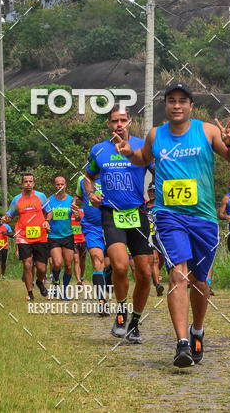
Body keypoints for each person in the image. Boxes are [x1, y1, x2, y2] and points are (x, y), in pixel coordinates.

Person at [114, 82, 230, 368]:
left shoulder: (207, 131)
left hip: (204, 218)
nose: (176, 105)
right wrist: (127, 152)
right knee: (178, 275)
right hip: (168, 216)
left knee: (200, 282)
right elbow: (142, 158)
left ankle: (197, 330)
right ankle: (182, 343)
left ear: (190, 106)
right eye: (171, 100)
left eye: (182, 101)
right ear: (166, 105)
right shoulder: (155, 135)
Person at [81, 104, 154, 343]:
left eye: (123, 120)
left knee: (144, 272)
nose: (119, 125)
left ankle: (134, 323)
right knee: (121, 267)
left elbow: (160, 171)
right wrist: (90, 193)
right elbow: (88, 176)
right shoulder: (99, 150)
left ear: (130, 122)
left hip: (138, 213)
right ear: (109, 124)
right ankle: (121, 312)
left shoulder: (143, 147)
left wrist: (159, 197)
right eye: (114, 121)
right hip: (111, 214)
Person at [3, 173, 50, 301]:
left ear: (34, 183)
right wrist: (5, 219)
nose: (28, 183)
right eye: (25, 181)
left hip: (40, 236)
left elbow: (49, 212)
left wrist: (47, 221)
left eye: (30, 181)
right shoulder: (16, 200)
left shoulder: (40, 197)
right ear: (22, 184)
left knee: (42, 268)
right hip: (23, 236)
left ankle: (40, 282)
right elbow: (9, 215)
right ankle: (30, 293)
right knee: (27, 265)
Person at [74, 174, 111, 315]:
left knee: (110, 264)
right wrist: (74, 206)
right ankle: (102, 302)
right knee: (97, 261)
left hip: (111, 225)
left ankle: (107, 278)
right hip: (92, 227)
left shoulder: (111, 173)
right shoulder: (82, 179)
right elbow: (78, 197)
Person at [43, 175, 75, 298]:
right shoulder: (49, 200)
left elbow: (77, 217)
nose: (60, 187)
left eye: (62, 184)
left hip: (68, 235)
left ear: (65, 185)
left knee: (68, 265)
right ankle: (56, 283)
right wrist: (46, 223)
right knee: (57, 263)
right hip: (54, 236)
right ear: (54, 186)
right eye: (57, 184)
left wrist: (77, 214)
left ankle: (65, 291)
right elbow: (45, 215)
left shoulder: (71, 200)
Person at [145, 185, 164, 296]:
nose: (152, 193)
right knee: (155, 260)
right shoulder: (144, 206)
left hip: (160, 235)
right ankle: (157, 285)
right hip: (149, 236)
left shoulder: (160, 205)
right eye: (150, 191)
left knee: (161, 260)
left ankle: (155, 276)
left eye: (154, 191)